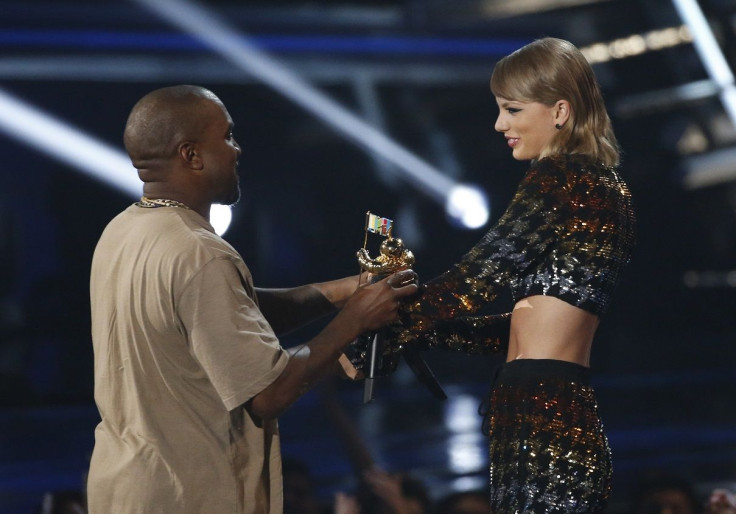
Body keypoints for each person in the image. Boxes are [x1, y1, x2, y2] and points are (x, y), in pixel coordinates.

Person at [87, 85, 417, 514]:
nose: (237, 150)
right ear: (191, 155)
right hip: (189, 496)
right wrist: (354, 320)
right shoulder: (198, 251)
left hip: (125, 489)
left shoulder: (123, 232)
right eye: (226, 137)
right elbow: (268, 393)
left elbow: (232, 314)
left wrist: (341, 293)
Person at [377, 38, 635, 512]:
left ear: (560, 111)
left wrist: (382, 321)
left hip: (544, 422)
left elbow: (478, 277)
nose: (500, 125)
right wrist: (427, 332)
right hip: (542, 411)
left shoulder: (564, 178)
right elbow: (525, 326)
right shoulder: (599, 183)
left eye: (512, 110)